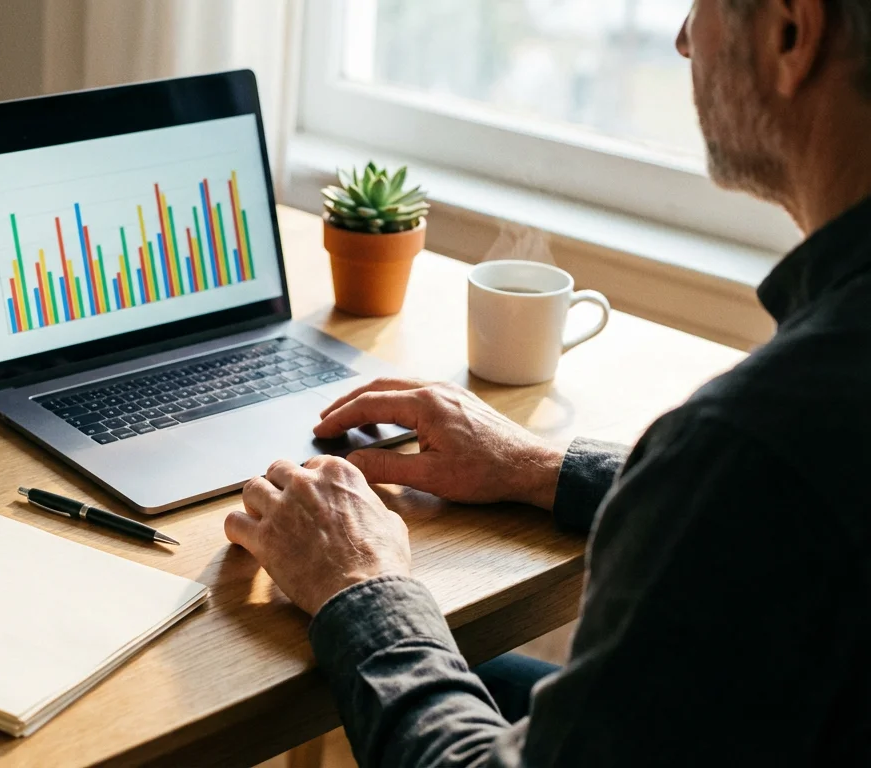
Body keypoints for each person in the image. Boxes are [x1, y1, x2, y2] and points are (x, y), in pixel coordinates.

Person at [223, 0, 871, 764]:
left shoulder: (749, 443)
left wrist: (360, 585)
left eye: (701, 5)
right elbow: (775, 518)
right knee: (482, 669)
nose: (684, 38)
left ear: (792, 33)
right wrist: (539, 470)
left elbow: (753, 488)